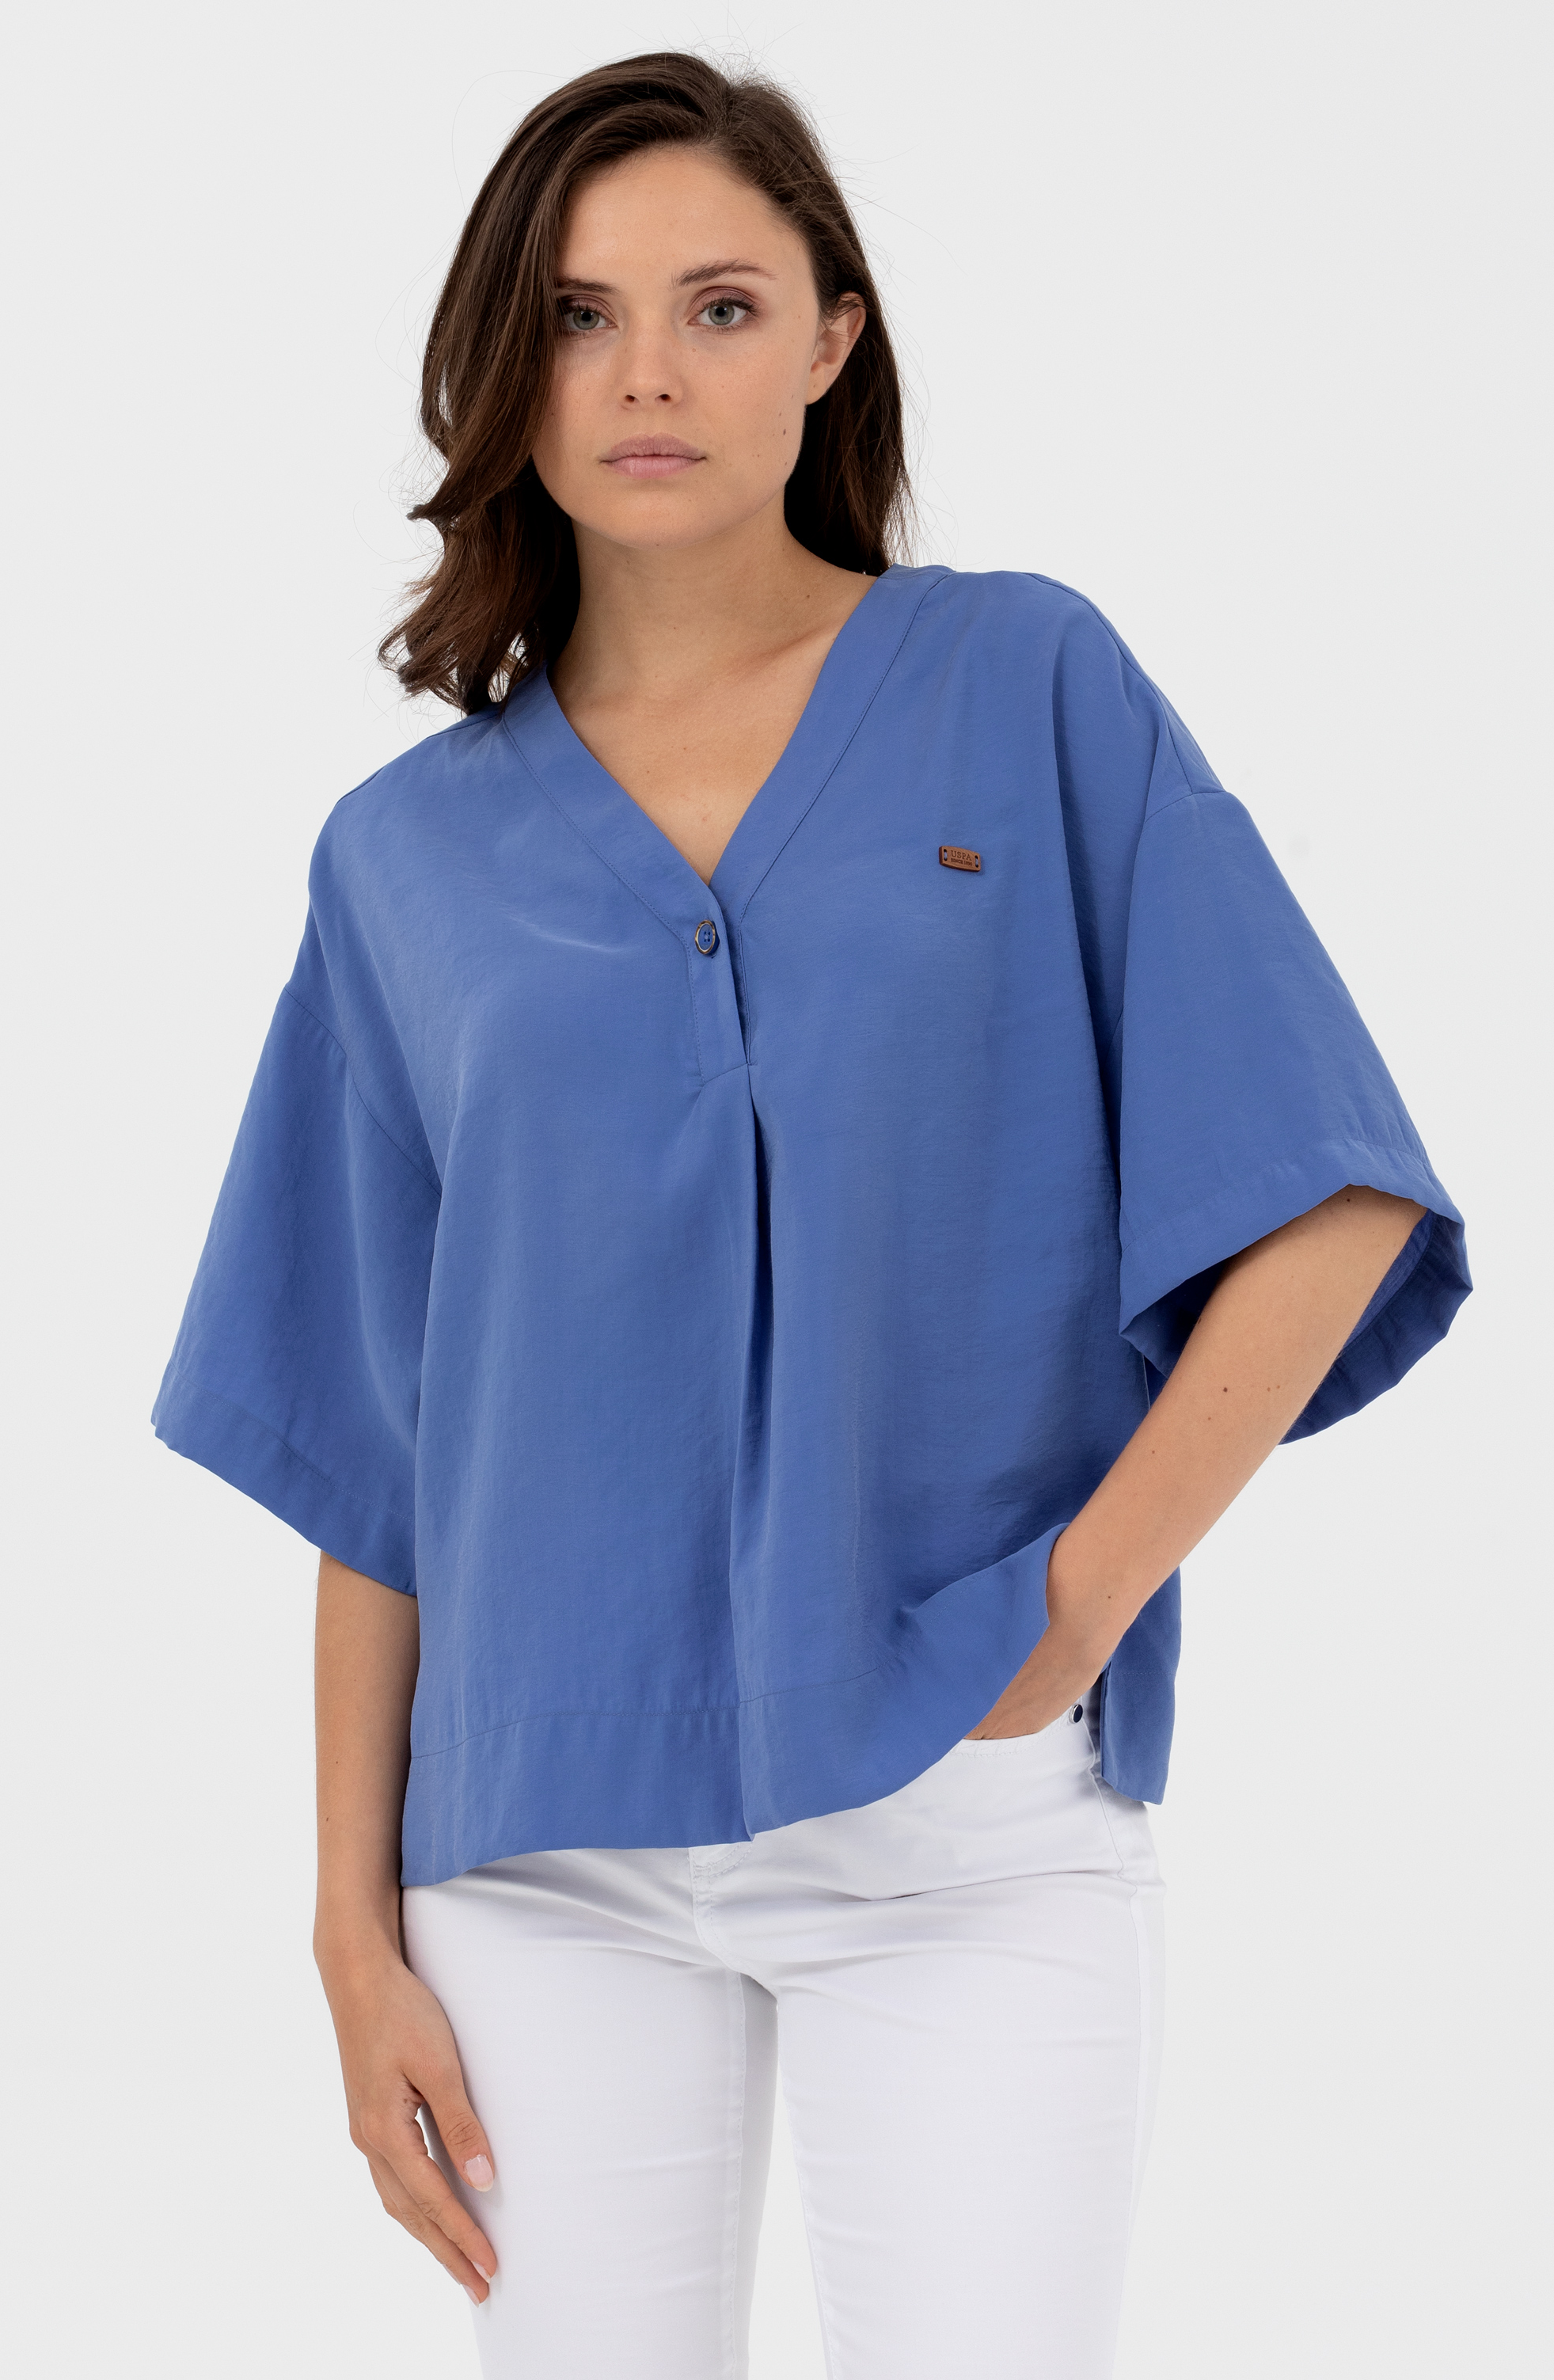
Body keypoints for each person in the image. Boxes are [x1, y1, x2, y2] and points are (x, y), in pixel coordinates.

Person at [152, 51, 1469, 2380]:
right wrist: (350, 1934)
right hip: (538, 1860)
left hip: (963, 1826)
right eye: (578, 316)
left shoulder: (1023, 684)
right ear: (504, 366)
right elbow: (377, 1446)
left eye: (722, 305)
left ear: (833, 341)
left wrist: (1069, 1612)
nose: (646, 373)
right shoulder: (403, 860)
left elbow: (1328, 1192)